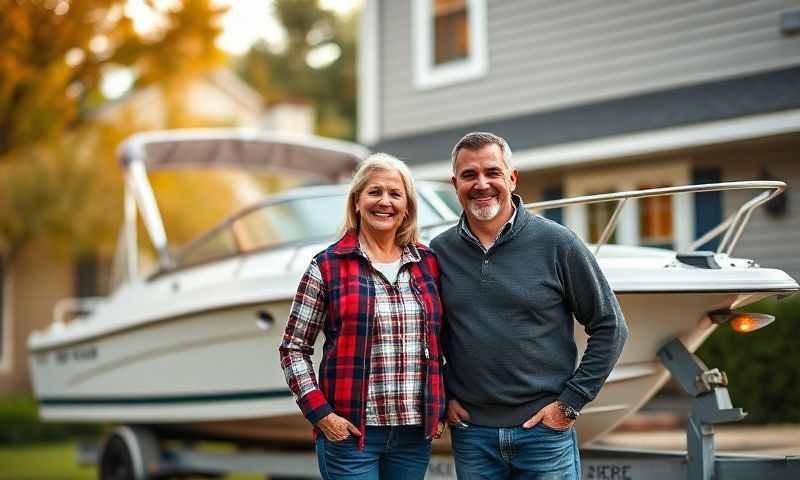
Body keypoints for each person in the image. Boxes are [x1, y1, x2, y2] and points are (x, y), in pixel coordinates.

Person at [430, 132, 629, 479]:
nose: (482, 184)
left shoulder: (557, 242)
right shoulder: (439, 251)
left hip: (544, 434)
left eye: (492, 172)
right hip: (472, 434)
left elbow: (610, 326)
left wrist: (570, 404)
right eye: (469, 175)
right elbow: (424, 335)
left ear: (512, 177)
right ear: (455, 183)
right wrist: (442, 394)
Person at [279, 153, 446, 480]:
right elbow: (293, 349)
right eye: (375, 192)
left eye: (395, 194)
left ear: (408, 206)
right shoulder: (327, 266)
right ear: (357, 201)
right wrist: (322, 415)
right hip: (351, 433)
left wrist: (440, 406)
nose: (385, 201)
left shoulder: (429, 263)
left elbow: (444, 343)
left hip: (413, 436)